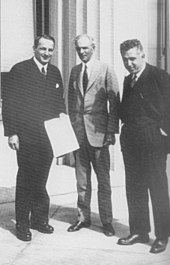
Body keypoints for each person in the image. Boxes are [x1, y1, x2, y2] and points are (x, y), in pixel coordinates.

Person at [2, 35, 66, 241]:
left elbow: (59, 103)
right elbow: (9, 103)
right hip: (26, 136)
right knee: (26, 179)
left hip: (48, 137)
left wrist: (63, 117)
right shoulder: (19, 70)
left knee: (41, 178)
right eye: (43, 49)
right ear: (34, 49)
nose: (47, 53)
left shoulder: (55, 73)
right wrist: (12, 132)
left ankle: (39, 219)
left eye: (50, 50)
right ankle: (22, 223)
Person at [118, 39, 170, 253]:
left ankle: (162, 235)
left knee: (157, 187)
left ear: (142, 56)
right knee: (134, 187)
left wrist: (163, 132)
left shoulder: (159, 76)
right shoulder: (128, 80)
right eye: (125, 59)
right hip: (131, 140)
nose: (129, 63)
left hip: (153, 140)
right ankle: (139, 231)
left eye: (132, 59)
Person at [67, 34, 120, 236]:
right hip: (79, 134)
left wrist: (111, 131)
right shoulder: (74, 71)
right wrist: (71, 129)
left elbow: (114, 102)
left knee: (103, 181)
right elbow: (71, 103)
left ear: (93, 47)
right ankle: (83, 218)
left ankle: (106, 221)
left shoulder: (105, 69)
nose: (82, 52)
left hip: (99, 133)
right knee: (82, 181)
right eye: (79, 49)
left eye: (85, 48)